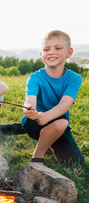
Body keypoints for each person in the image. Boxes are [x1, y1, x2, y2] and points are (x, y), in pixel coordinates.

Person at [22, 30, 84, 165]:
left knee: (75, 162)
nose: (51, 52)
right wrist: (29, 110)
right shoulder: (35, 77)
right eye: (46, 49)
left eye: (58, 48)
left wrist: (47, 116)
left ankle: (50, 141)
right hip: (34, 122)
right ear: (41, 54)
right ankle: (38, 154)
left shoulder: (75, 78)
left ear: (69, 52)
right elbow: (29, 100)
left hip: (57, 124)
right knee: (61, 122)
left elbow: (65, 104)